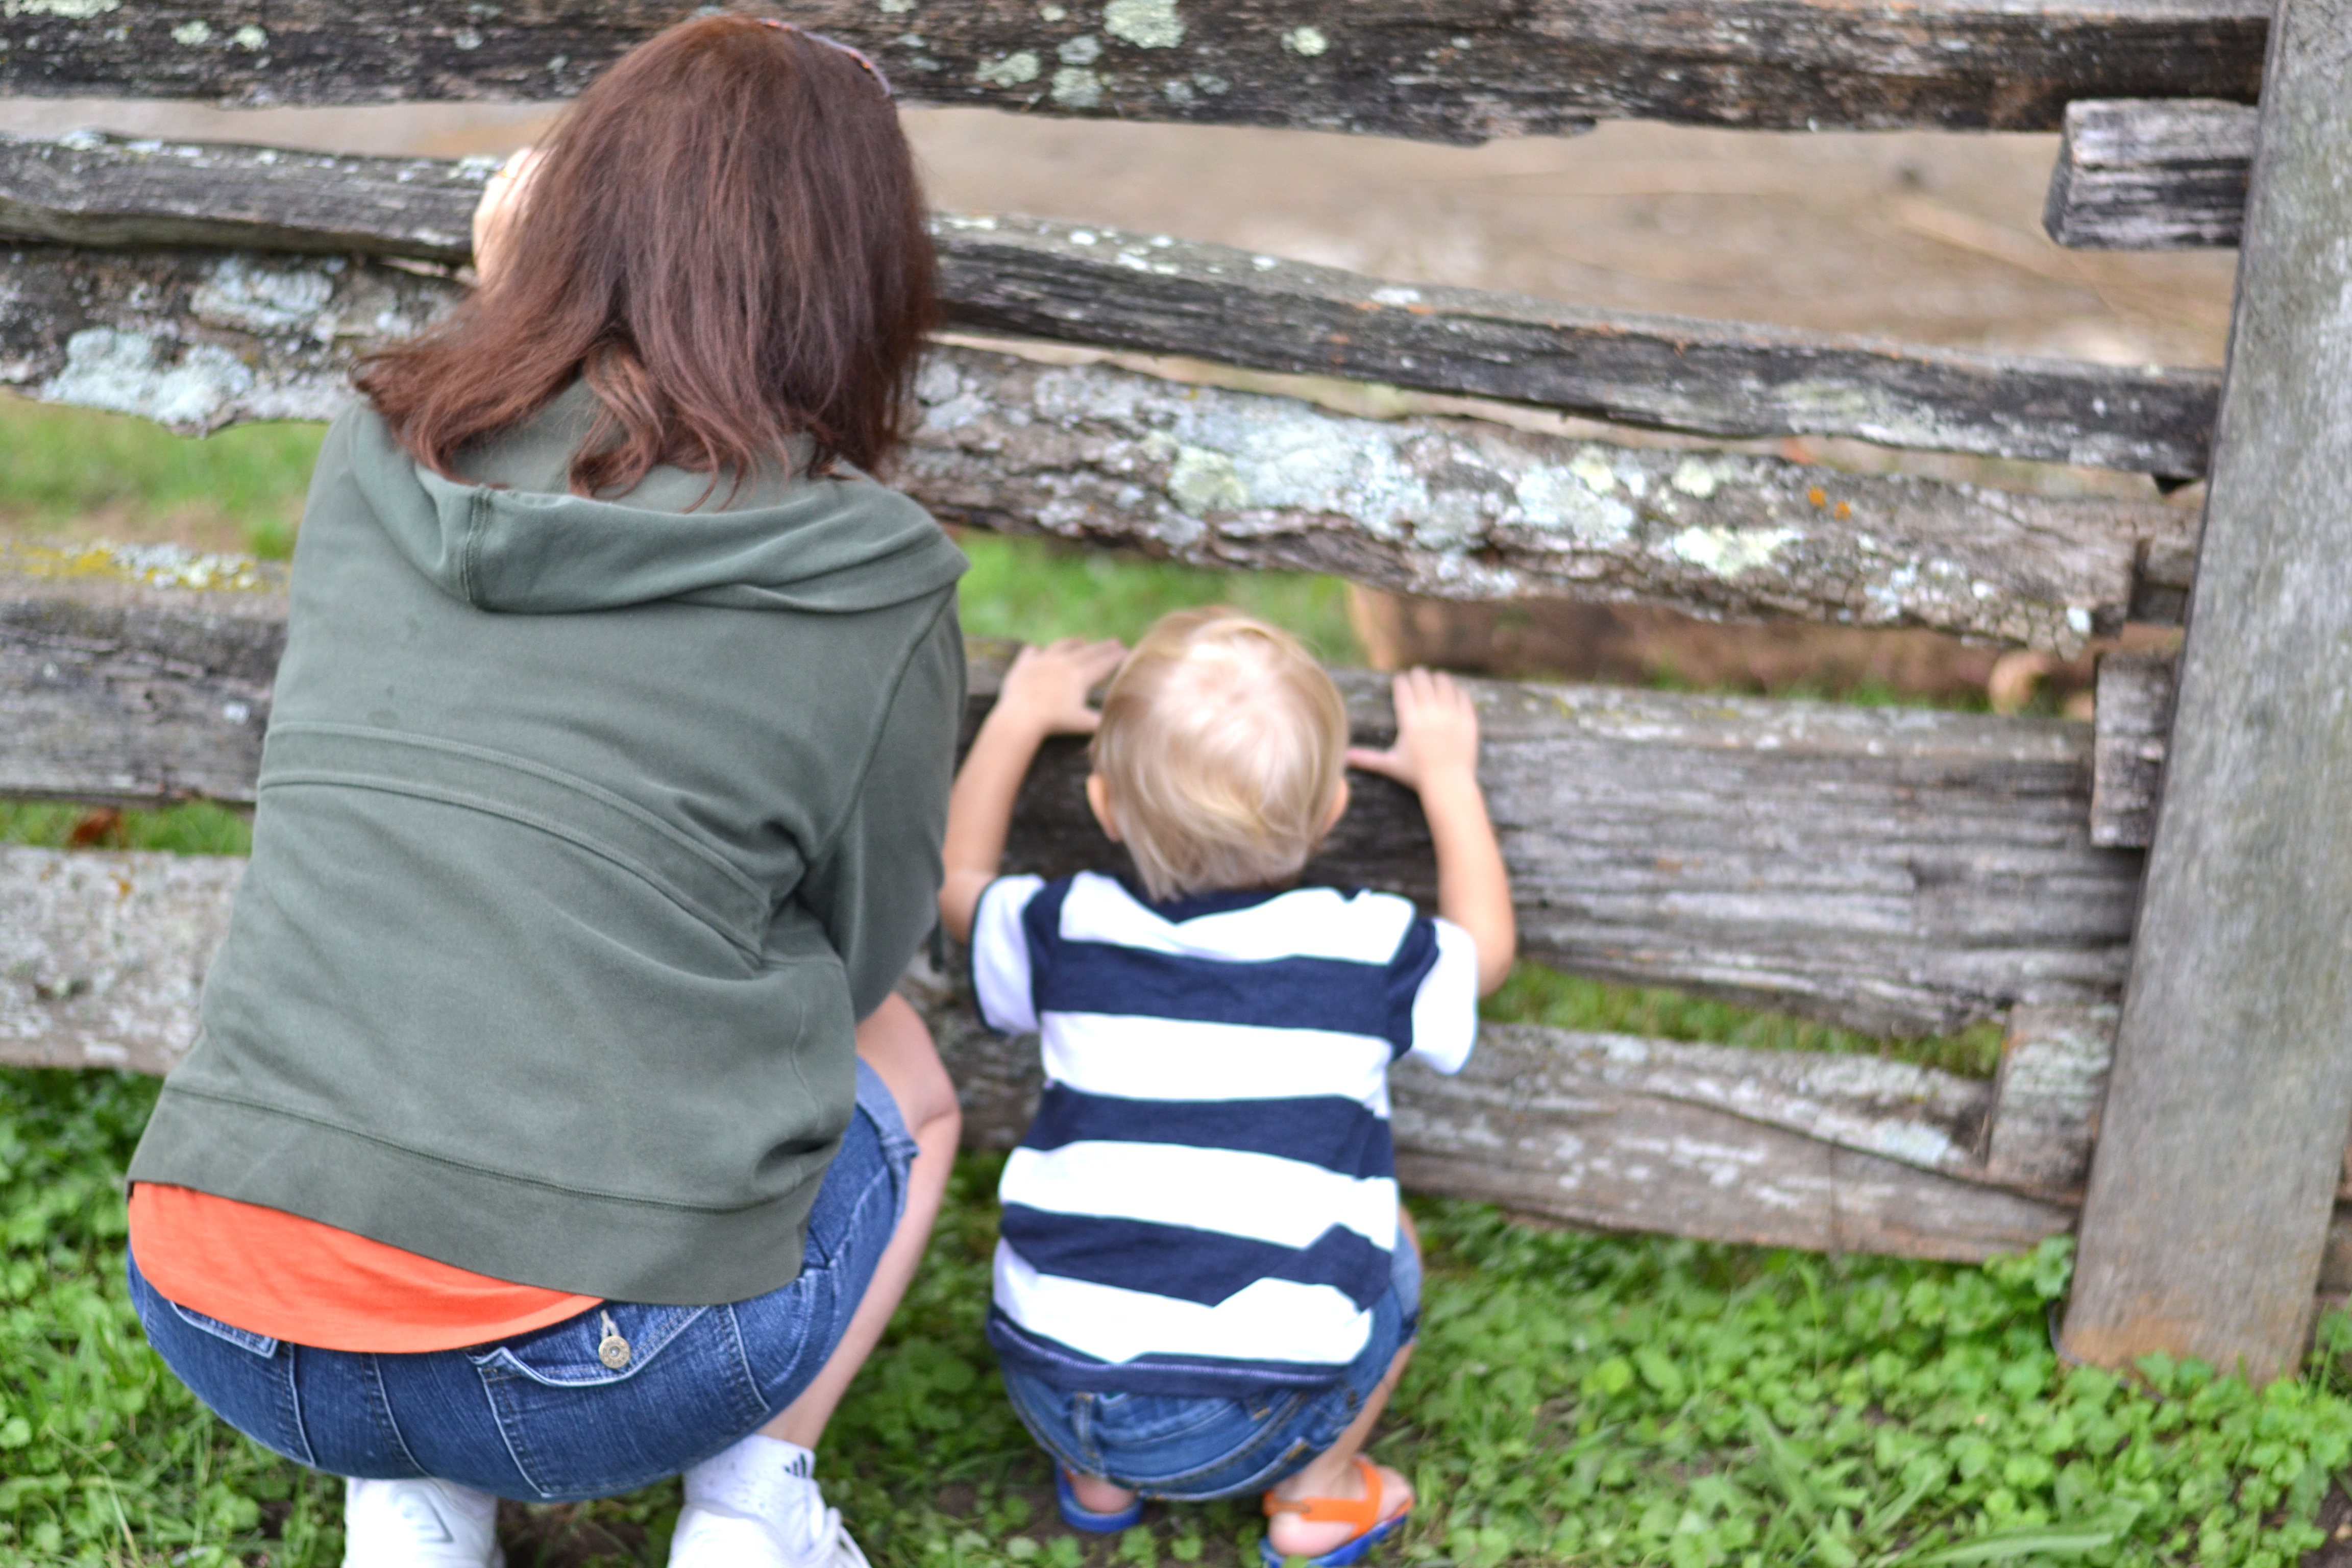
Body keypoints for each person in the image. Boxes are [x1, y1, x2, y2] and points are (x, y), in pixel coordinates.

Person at [119, 18, 967, 1568]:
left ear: (560, 220)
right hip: (596, 1374)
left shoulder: (373, 451)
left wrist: (515, 291)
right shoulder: (870, 566)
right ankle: (753, 1513)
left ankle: (415, 1502)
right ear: (855, 276)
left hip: (218, 1300)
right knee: (901, 1067)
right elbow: (859, 953)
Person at [937, 610, 1516, 1567]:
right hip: (1247, 1420)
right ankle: (1320, 1494)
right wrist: (1449, 776)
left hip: (1050, 1386)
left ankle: (1099, 1479)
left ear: (1105, 805)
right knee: (1395, 1248)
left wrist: (1018, 717)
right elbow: (1484, 953)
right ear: (1331, 812)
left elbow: (958, 883)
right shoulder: (1366, 947)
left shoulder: (1068, 927)